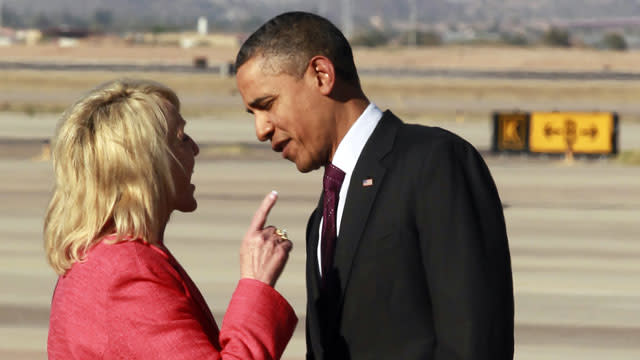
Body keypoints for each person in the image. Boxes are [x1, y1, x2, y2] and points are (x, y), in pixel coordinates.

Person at [235, 11, 514, 360]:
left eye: (267, 105)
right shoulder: (321, 216)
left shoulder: (434, 162)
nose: (261, 129)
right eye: (253, 115)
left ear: (322, 75)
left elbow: (475, 340)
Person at [44, 79, 297, 359]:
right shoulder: (126, 273)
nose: (196, 149)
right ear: (149, 163)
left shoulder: (104, 255)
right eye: (182, 139)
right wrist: (256, 283)